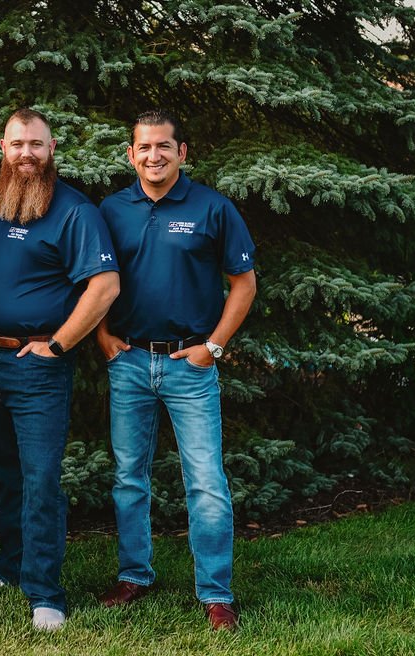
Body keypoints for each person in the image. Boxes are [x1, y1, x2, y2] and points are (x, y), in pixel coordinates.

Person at [96, 109, 257, 631]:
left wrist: (213, 345)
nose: (154, 155)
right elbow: (93, 280)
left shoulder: (213, 208)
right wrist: (102, 337)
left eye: (164, 146)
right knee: (128, 478)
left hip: (190, 364)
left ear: (182, 152)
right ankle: (134, 576)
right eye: (144, 147)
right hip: (129, 362)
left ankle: (215, 593)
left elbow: (244, 283)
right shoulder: (111, 210)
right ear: (131, 154)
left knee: (206, 481)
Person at [0, 108, 120, 631]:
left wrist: (57, 345)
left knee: (40, 481)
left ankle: (45, 595)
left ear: (52, 148)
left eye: (36, 144)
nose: (26, 154)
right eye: (16, 144)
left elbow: (104, 286)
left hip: (38, 367)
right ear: (1, 148)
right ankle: (10, 569)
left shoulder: (75, 211)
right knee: (5, 474)